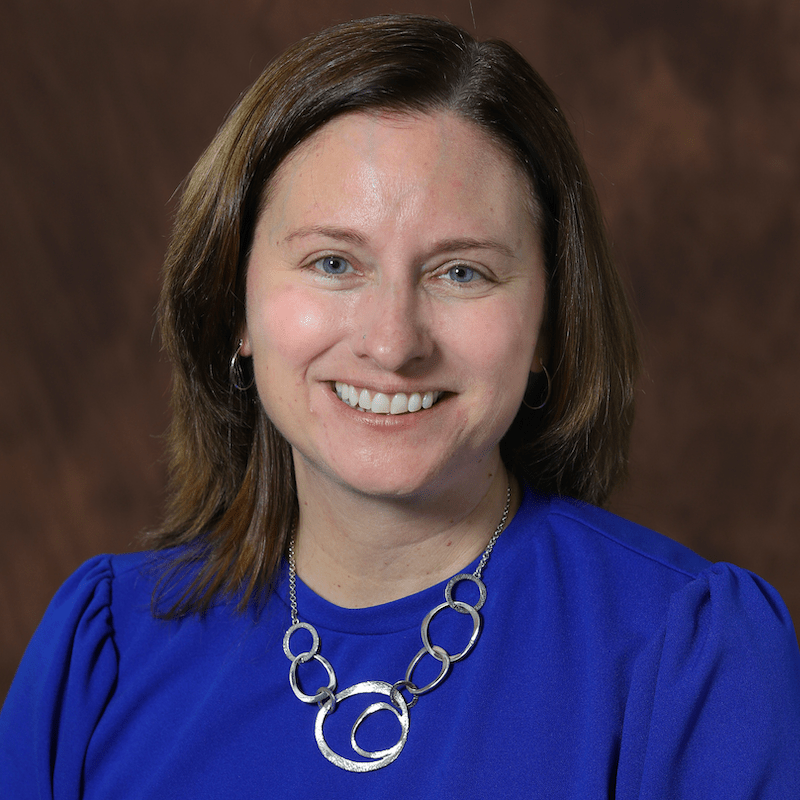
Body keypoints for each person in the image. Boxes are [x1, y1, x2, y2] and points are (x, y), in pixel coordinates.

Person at [2, 14, 799, 798]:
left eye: (462, 273)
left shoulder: (690, 657)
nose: (393, 343)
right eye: (332, 261)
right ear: (235, 304)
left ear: (553, 322)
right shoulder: (102, 650)